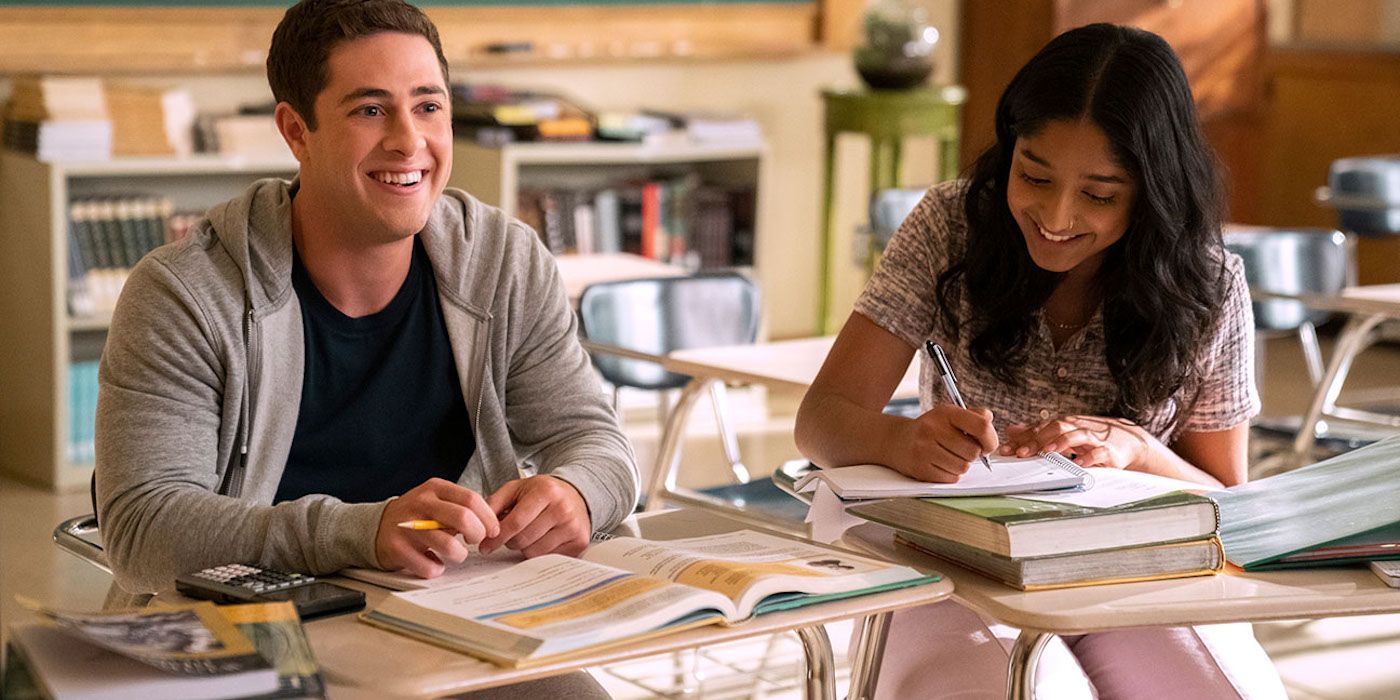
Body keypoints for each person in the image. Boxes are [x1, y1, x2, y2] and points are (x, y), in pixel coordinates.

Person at [97, 0, 636, 624]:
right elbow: (143, 529)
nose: (410, 142)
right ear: (296, 131)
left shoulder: (505, 263)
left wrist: (577, 494)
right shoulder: (184, 293)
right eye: (370, 110)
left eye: (429, 107)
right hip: (243, 624)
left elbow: (599, 444)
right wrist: (361, 531)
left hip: (460, 616)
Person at [795, 24, 1287, 699]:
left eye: (1101, 194)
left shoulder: (1207, 281)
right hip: (955, 565)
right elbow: (821, 420)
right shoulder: (949, 227)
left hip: (1127, 571)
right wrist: (901, 440)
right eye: (1034, 175)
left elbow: (1227, 498)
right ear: (1010, 147)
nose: (1056, 215)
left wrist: (1138, 450)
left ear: (1152, 190)